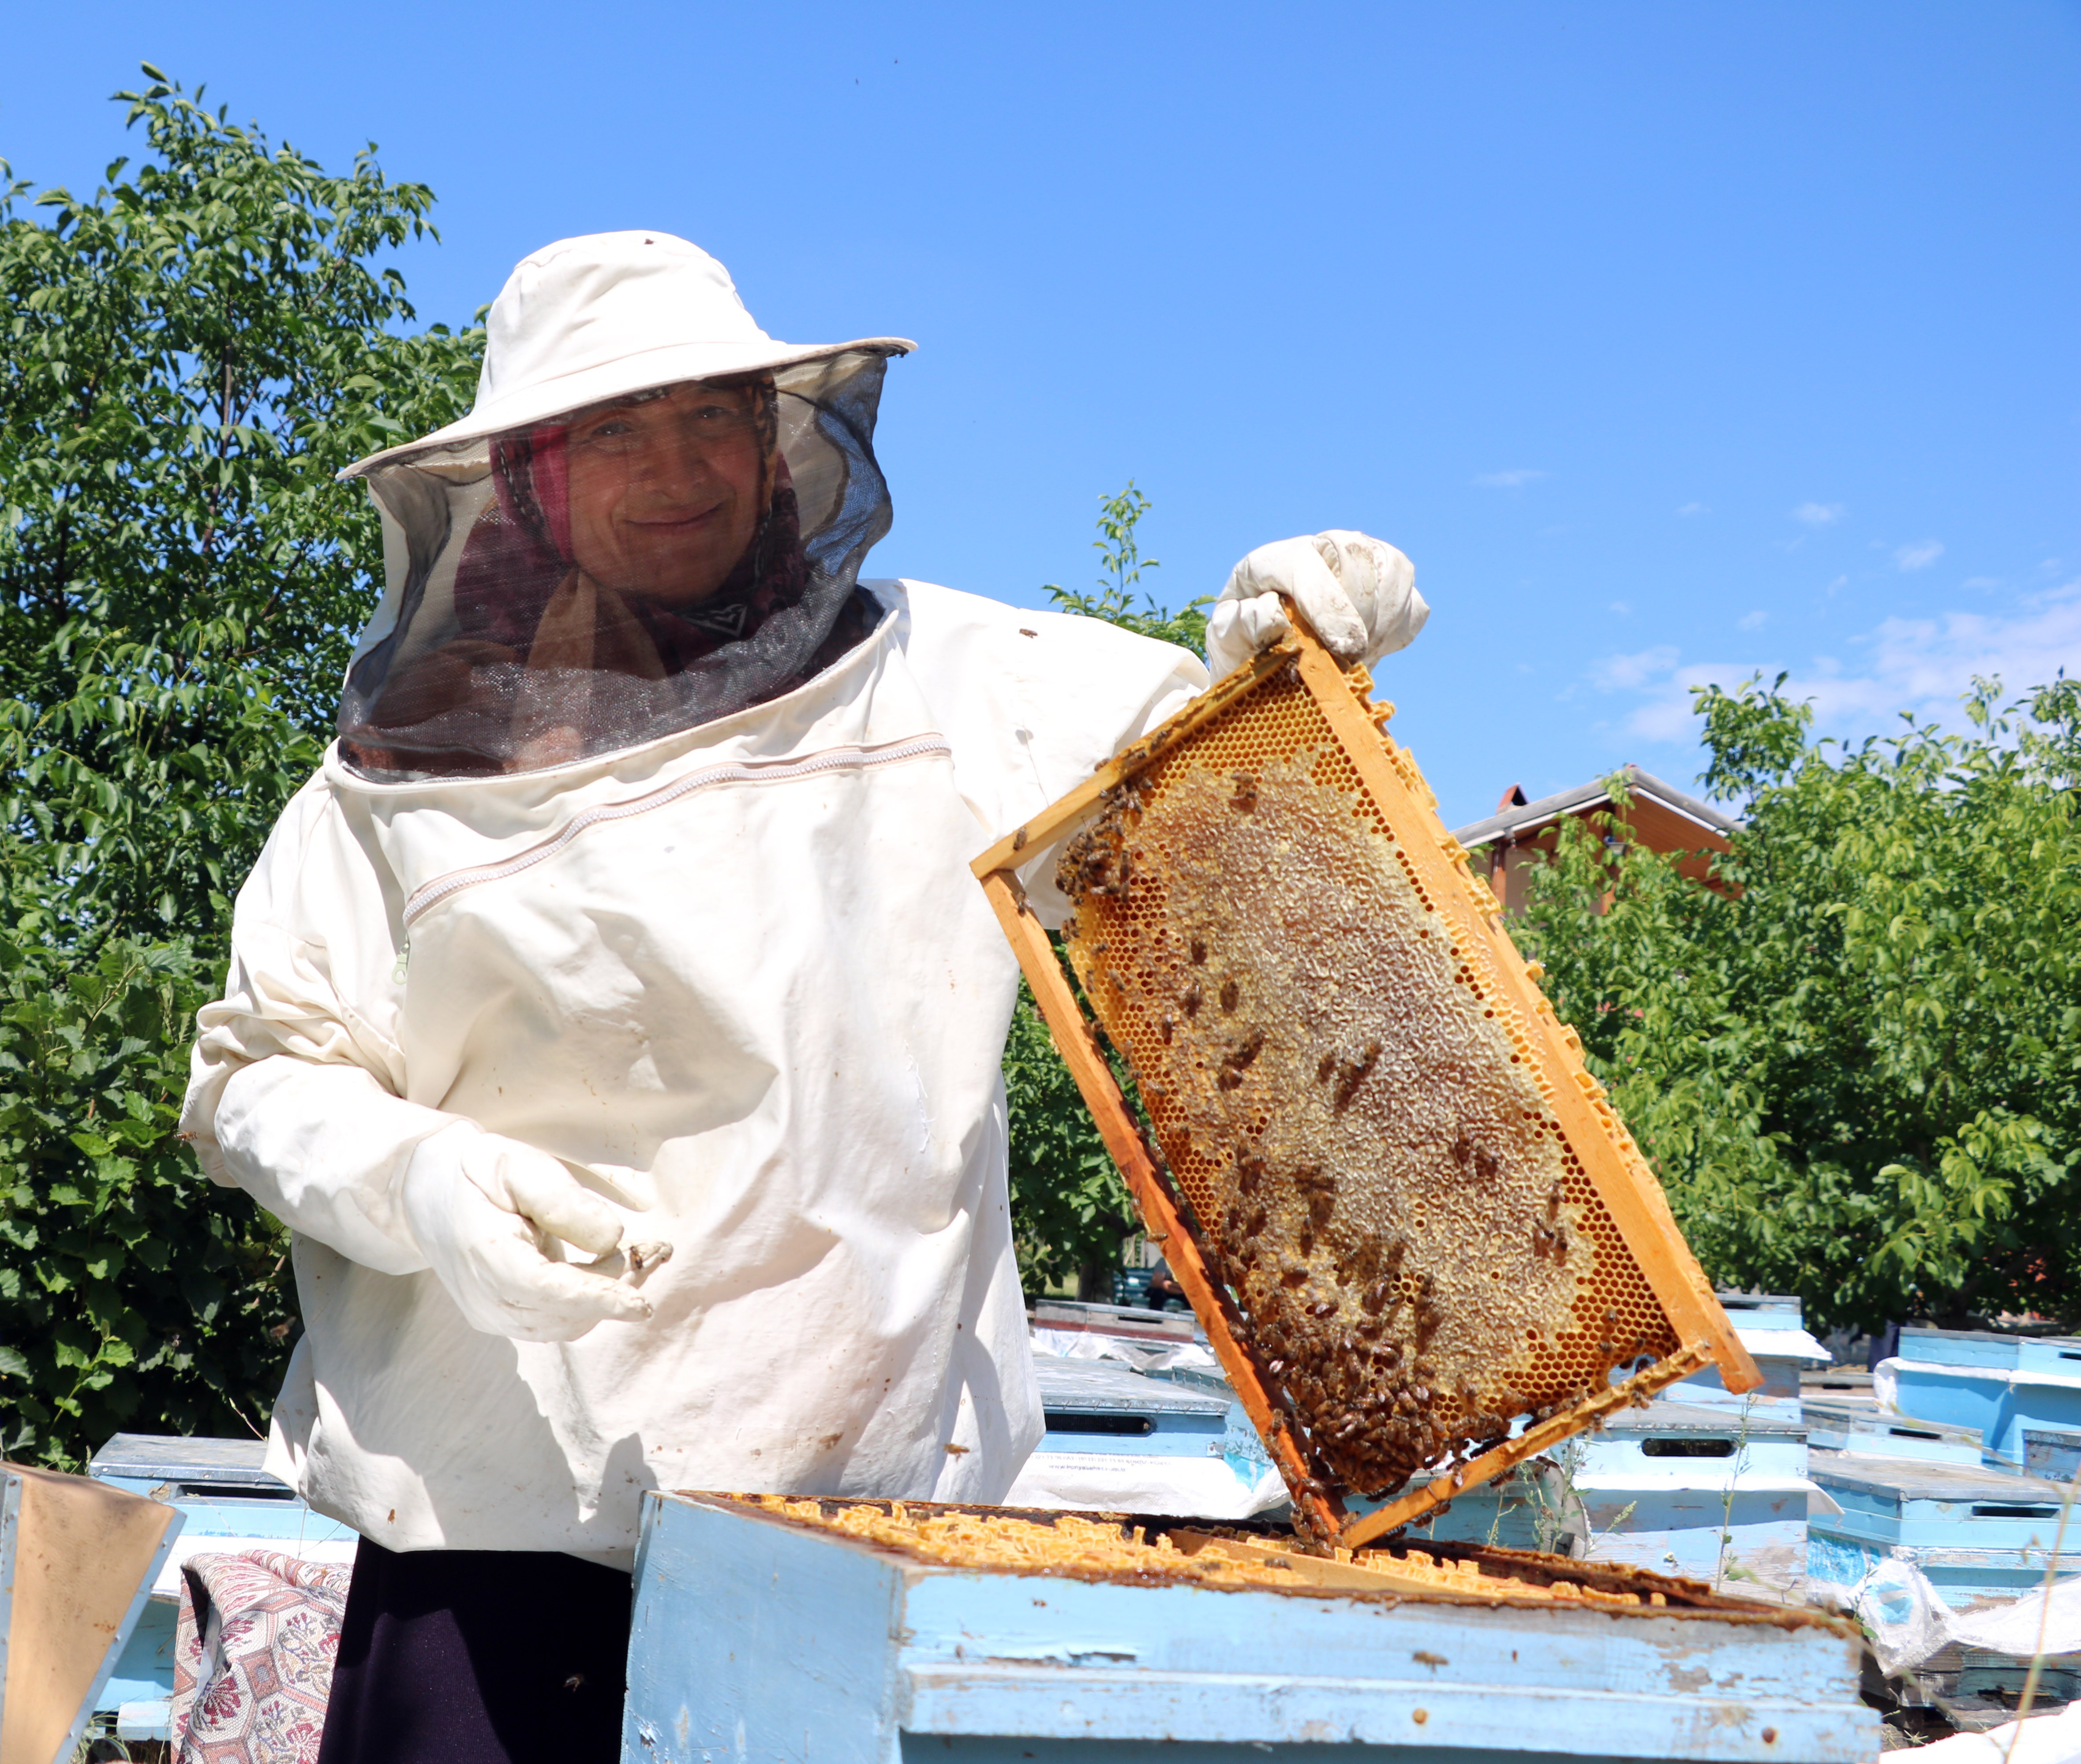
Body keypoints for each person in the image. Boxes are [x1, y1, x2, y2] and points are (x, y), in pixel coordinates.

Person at [180, 231, 1428, 1764]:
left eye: (712, 415)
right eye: (615, 432)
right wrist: (421, 1179)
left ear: (779, 445)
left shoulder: (961, 679)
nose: (677, 466)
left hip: (868, 1537)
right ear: (527, 481)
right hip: (496, 1543)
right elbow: (256, 1078)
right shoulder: (390, 792)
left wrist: (1278, 644)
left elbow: (1210, 796)